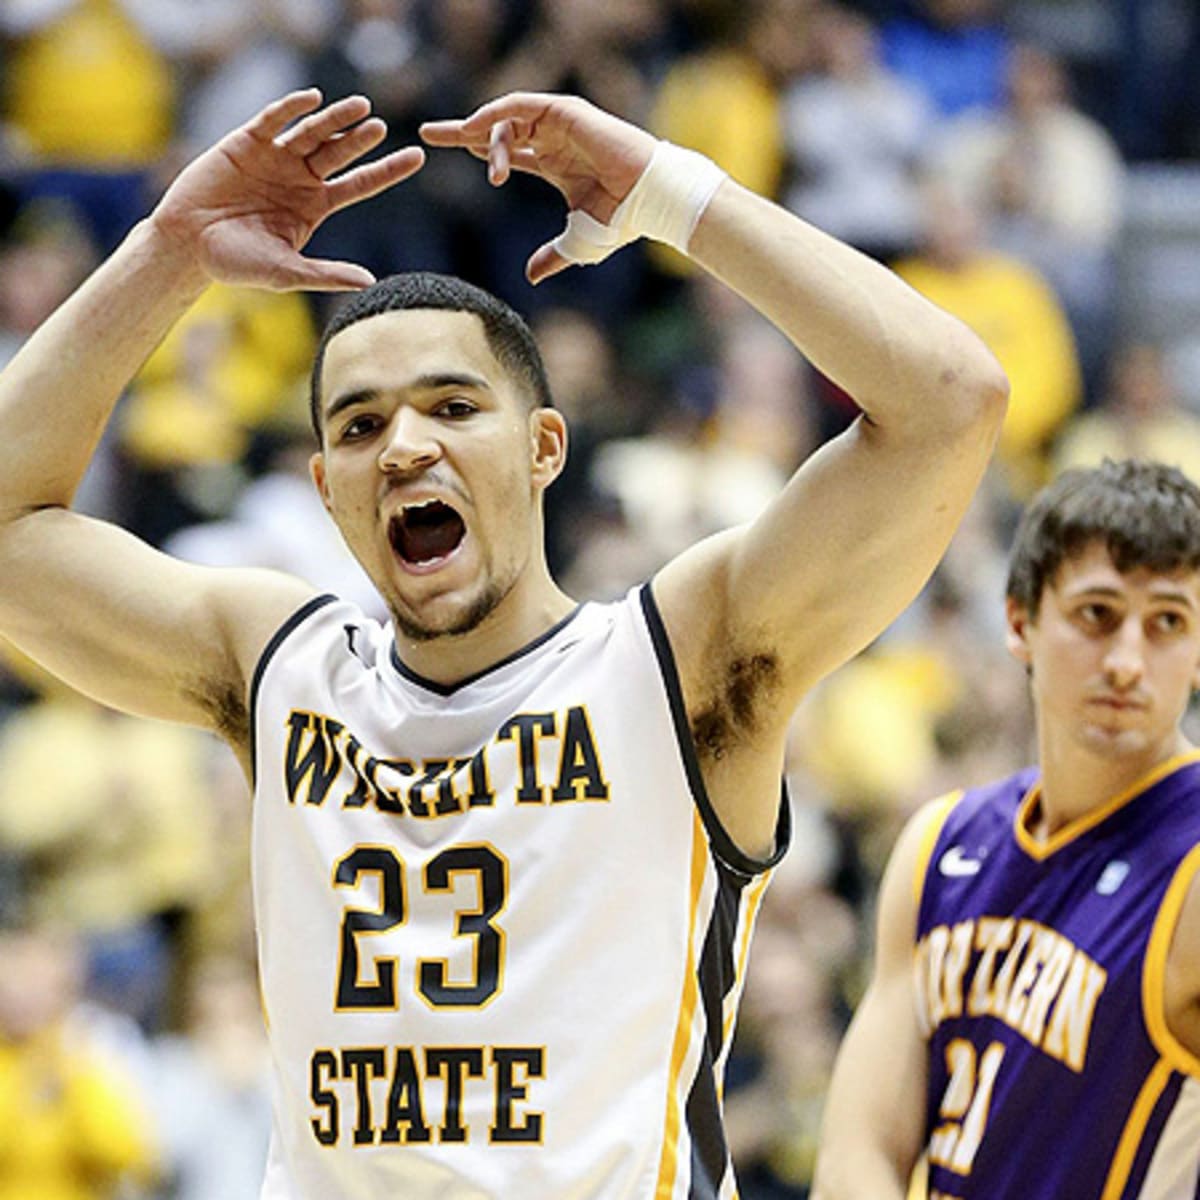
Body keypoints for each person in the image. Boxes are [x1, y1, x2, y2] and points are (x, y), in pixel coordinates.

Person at [0, 86, 1006, 1197]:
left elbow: (950, 401)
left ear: (544, 447)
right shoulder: (278, 665)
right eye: (361, 425)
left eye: (452, 406)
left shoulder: (677, 664)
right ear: (328, 491)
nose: (406, 447)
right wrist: (167, 253)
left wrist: (670, 196)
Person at [813, 458, 1200, 1200]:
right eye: (1098, 614)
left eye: (1167, 625)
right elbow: (857, 1153)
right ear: (1020, 621)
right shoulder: (941, 844)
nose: (1127, 661)